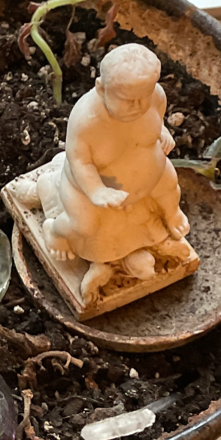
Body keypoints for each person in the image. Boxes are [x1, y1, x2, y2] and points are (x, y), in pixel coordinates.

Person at [32, 43, 190, 299]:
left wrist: (162, 132)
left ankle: (171, 214)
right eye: (128, 100)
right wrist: (96, 192)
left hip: (148, 175)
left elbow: (156, 118)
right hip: (89, 188)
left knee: (170, 183)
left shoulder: (155, 97)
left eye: (144, 95)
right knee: (82, 224)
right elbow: (79, 161)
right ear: (101, 88)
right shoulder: (87, 121)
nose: (139, 106)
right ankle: (54, 231)